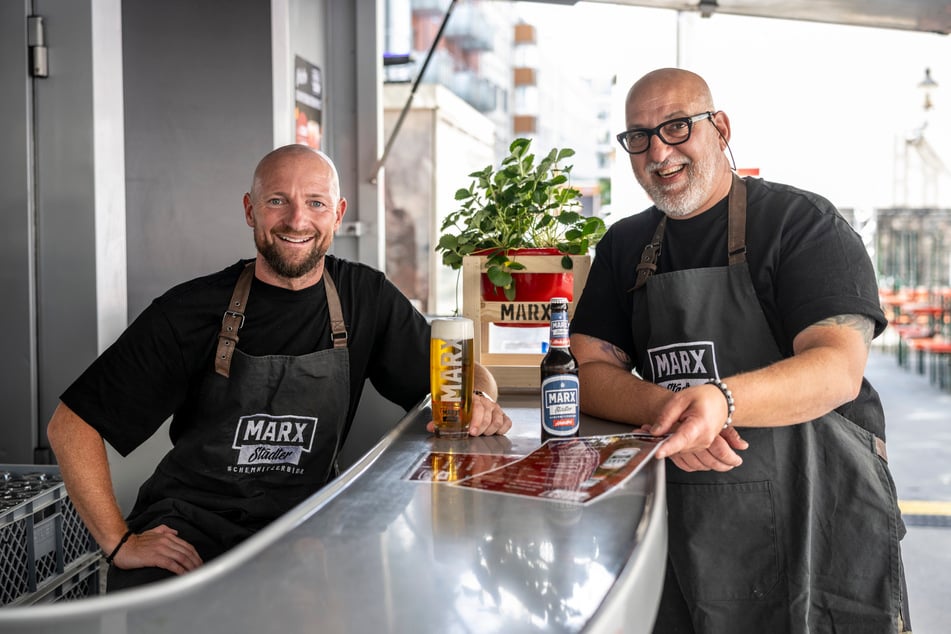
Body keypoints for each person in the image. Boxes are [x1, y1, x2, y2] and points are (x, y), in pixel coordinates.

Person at [46, 144, 512, 591]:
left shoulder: (366, 299)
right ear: (250, 210)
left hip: (308, 524)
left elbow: (463, 375)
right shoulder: (190, 309)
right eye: (277, 201)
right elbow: (71, 426)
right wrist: (118, 541)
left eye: (315, 202)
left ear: (338, 212)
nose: (297, 220)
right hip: (190, 530)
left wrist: (480, 400)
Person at [570, 68, 910, 633]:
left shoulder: (802, 224)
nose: (659, 151)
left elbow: (837, 368)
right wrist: (666, 409)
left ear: (720, 127)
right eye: (639, 136)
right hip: (683, 523)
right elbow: (588, 368)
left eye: (677, 127)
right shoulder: (625, 244)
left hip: (818, 516)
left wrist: (718, 403)